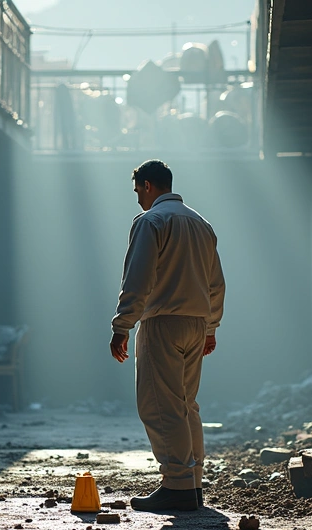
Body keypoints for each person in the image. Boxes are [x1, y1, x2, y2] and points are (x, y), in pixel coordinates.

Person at [110, 159, 226, 511]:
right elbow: (215, 282)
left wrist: (122, 325)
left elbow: (138, 278)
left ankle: (176, 486)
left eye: (137, 192)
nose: (138, 200)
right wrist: (211, 327)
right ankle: (193, 483)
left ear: (147, 185)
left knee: (159, 405)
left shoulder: (151, 221)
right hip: (196, 323)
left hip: (162, 323)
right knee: (186, 404)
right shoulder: (201, 224)